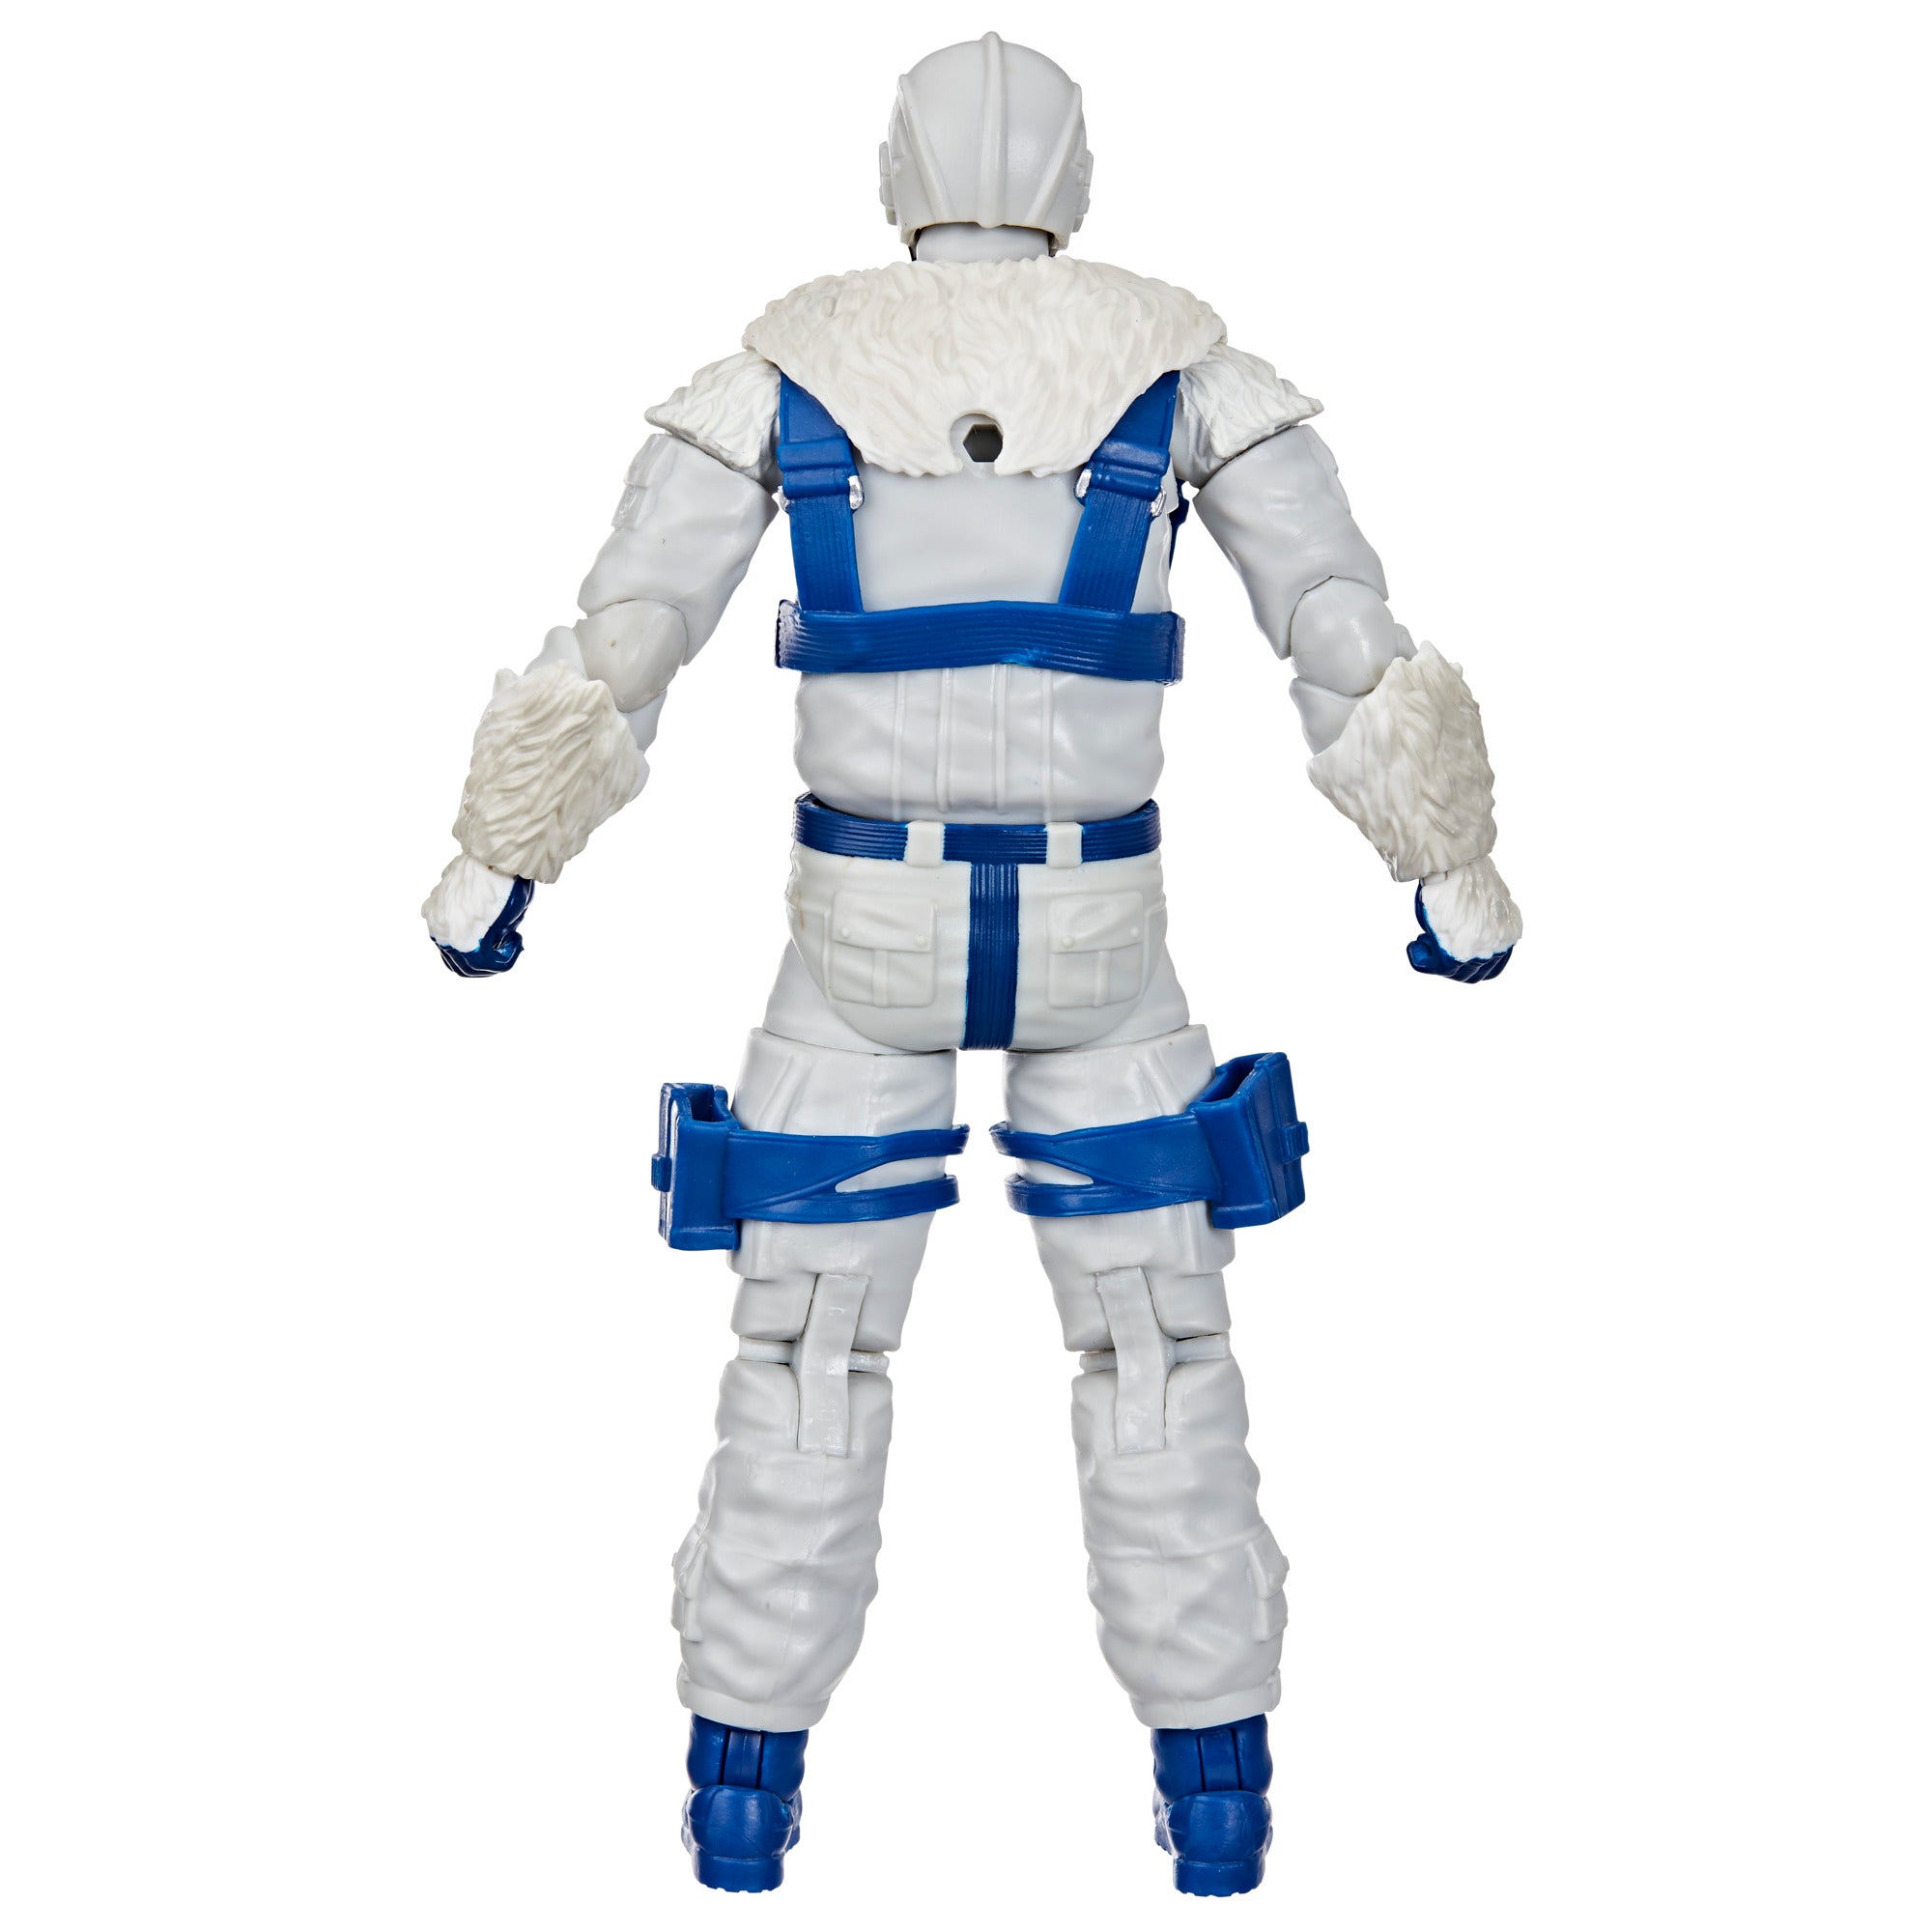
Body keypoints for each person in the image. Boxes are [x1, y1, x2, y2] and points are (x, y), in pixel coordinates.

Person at [423, 33, 1520, 1896]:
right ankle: (1219, 1789)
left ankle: (742, 1789)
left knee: (806, 1343)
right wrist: (1450, 863)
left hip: (865, 941)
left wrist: (496, 859)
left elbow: (626, 634)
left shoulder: (780, 378)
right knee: (1157, 1338)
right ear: (1076, 177)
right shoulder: (1189, 376)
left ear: (896, 173)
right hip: (1102, 932)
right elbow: (1339, 624)